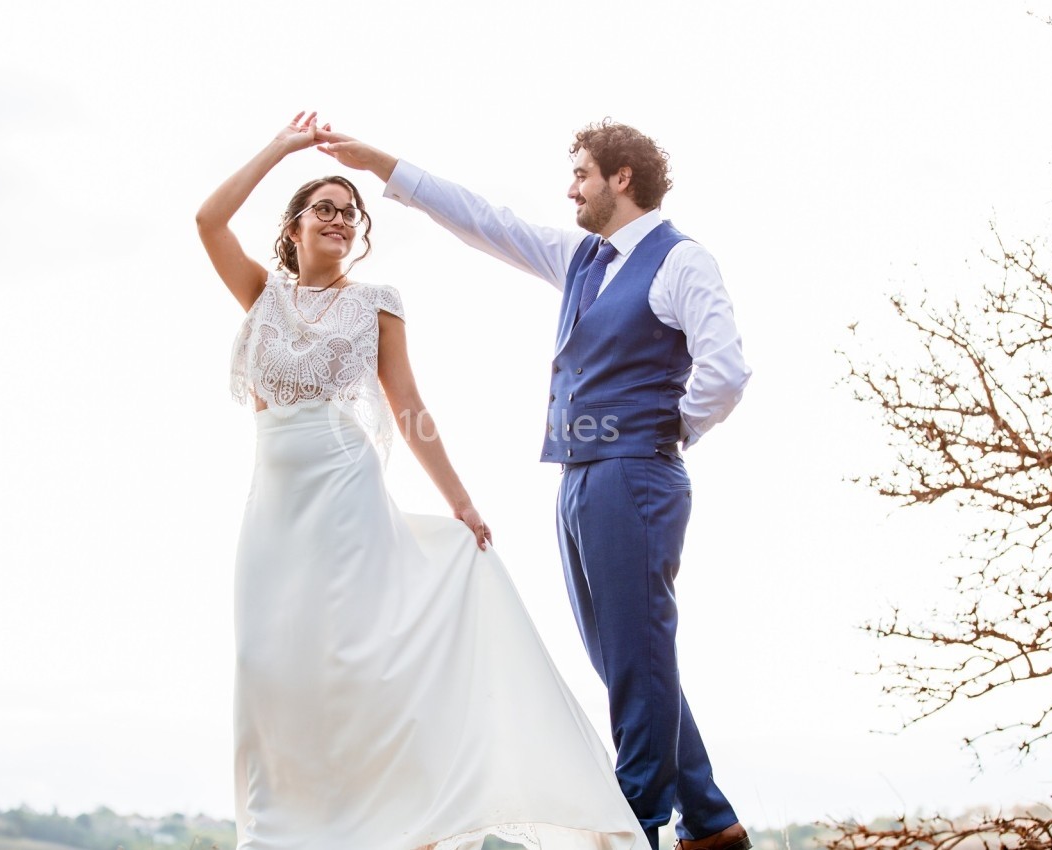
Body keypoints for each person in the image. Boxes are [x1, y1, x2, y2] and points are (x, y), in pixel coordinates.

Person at [196, 111, 653, 850]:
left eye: (351, 212)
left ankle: (398, 823)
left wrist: (461, 503)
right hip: (272, 510)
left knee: (355, 663)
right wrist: (280, 148)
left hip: (344, 494)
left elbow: (408, 409)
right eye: (325, 209)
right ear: (294, 227)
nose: (340, 219)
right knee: (268, 662)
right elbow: (208, 220)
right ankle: (285, 827)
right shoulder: (260, 294)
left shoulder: (376, 303)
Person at [316, 120, 753, 850]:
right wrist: (383, 165)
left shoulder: (682, 261)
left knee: (637, 658)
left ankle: (638, 822)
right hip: (578, 478)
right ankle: (709, 820)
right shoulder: (581, 258)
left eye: (581, 173)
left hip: (635, 474)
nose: (570, 188)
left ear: (620, 178)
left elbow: (726, 371)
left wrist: (665, 429)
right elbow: (487, 222)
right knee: (624, 660)